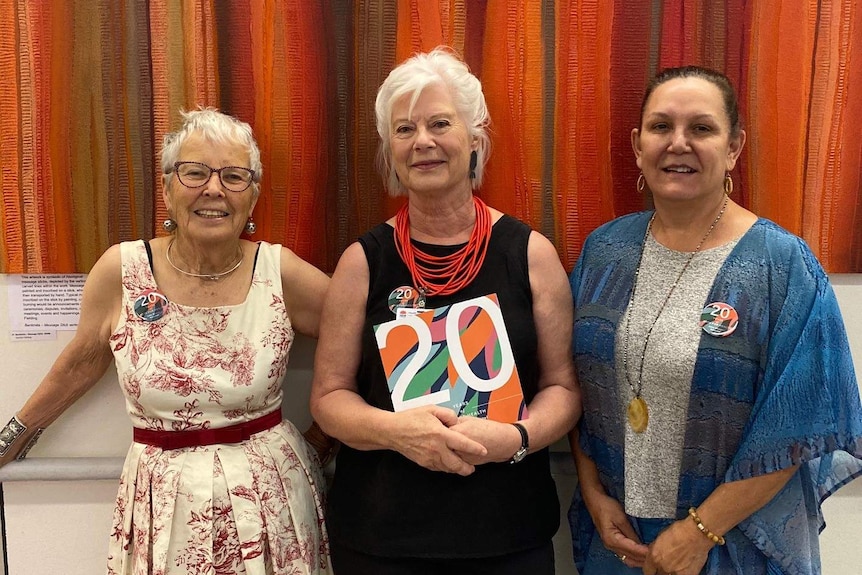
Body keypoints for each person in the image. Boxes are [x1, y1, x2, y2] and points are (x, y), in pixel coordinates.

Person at [0, 108, 335, 574]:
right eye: (194, 172)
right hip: (162, 502)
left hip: (269, 497)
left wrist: (330, 434)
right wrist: (8, 441)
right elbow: (81, 363)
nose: (213, 189)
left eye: (234, 176)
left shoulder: (282, 273)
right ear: (167, 188)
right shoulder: (122, 270)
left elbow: (358, 338)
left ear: (252, 196)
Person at [568, 65, 862, 575]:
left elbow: (798, 425)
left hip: (731, 547)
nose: (678, 143)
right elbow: (575, 383)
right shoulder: (604, 252)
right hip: (619, 542)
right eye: (661, 127)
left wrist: (698, 532)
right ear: (639, 145)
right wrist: (594, 496)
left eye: (701, 129)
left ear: (733, 148)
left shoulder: (780, 265)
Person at [309, 47, 581, 574]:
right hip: (381, 539)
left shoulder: (530, 254)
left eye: (439, 123)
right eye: (405, 130)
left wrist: (516, 438)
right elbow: (327, 398)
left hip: (508, 534)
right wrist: (397, 431)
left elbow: (564, 388)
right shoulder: (362, 262)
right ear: (389, 151)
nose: (423, 142)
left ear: (474, 140)